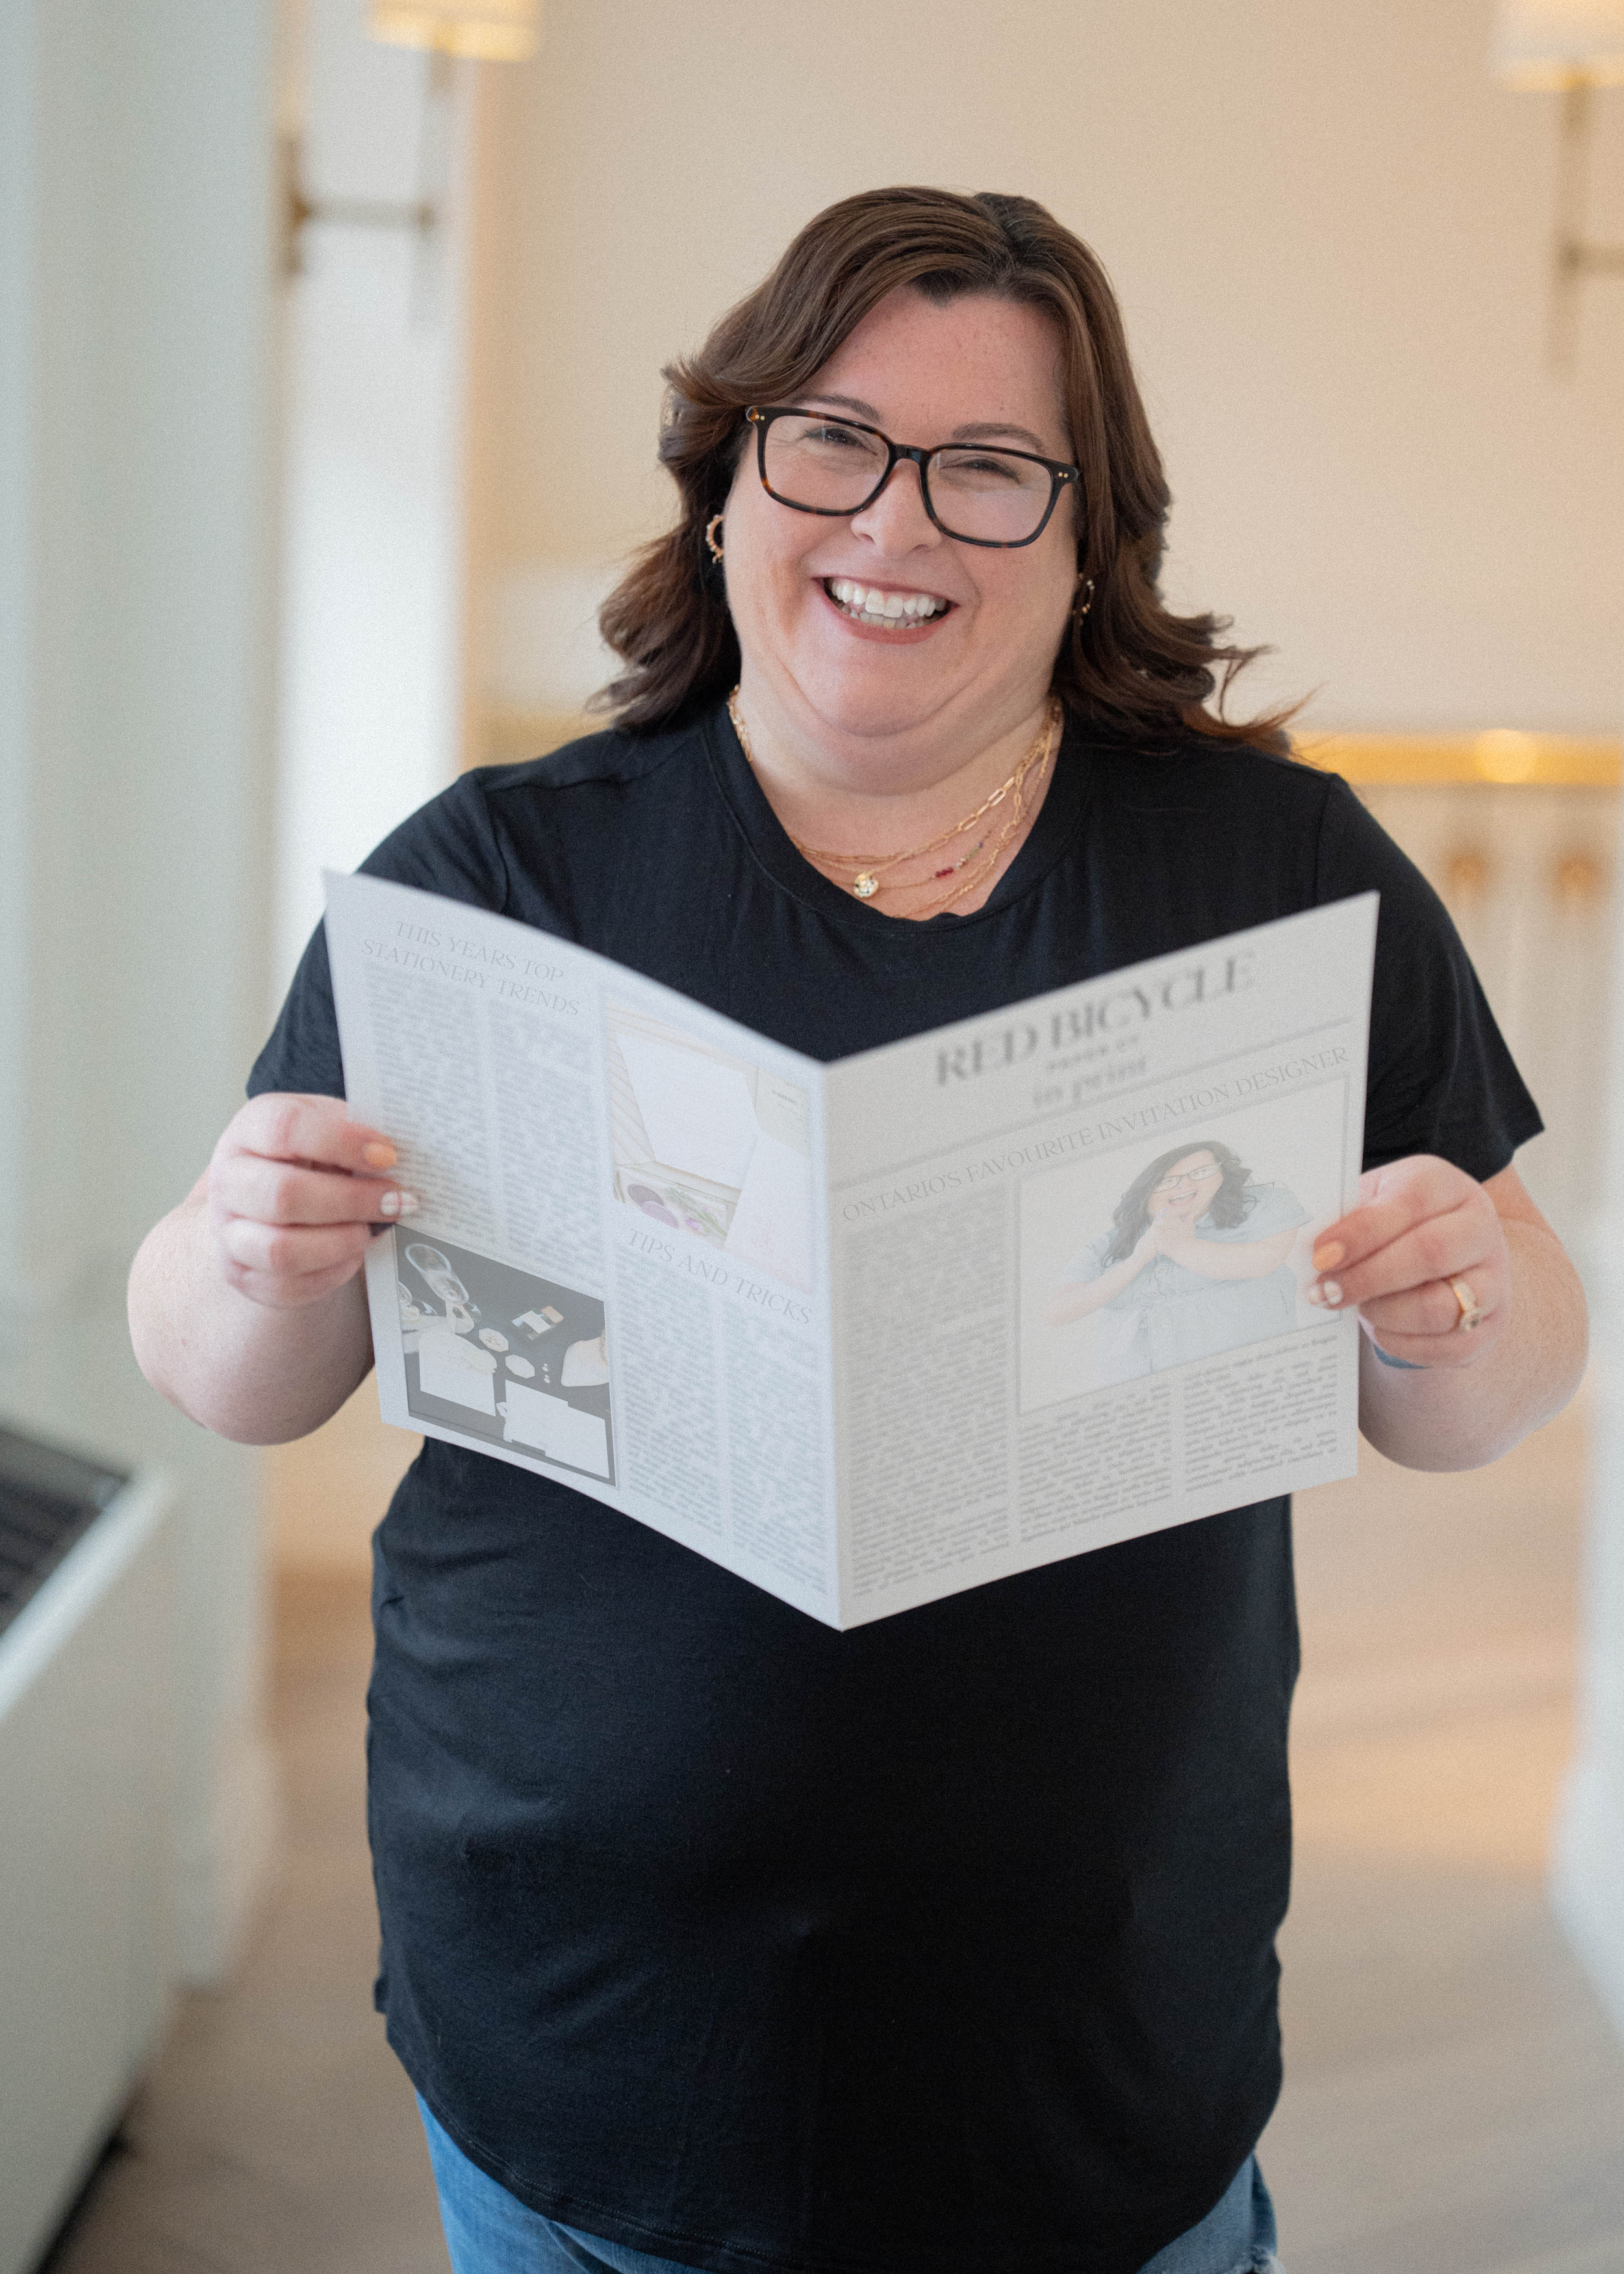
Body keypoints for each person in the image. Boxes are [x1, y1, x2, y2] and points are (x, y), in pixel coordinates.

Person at [127, 186, 1588, 2274]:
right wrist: (244, 1245)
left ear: (1088, 543)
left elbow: (1485, 1379)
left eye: (990, 470)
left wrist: (1461, 1299)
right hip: (583, 2024)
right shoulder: (492, 873)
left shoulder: (1271, 868)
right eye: (828, 439)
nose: (894, 525)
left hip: (1090, 2035)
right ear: (726, 484)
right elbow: (229, 1374)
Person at [1047, 1142, 1308, 1381]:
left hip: (1250, 1380)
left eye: (1202, 1172)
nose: (1185, 1186)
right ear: (1144, 1189)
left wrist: (1177, 1245)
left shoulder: (1263, 1205)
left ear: (1222, 1174)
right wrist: (1138, 1259)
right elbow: (1058, 1313)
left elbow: (1262, 1262)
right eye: (1167, 1180)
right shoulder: (1104, 1245)